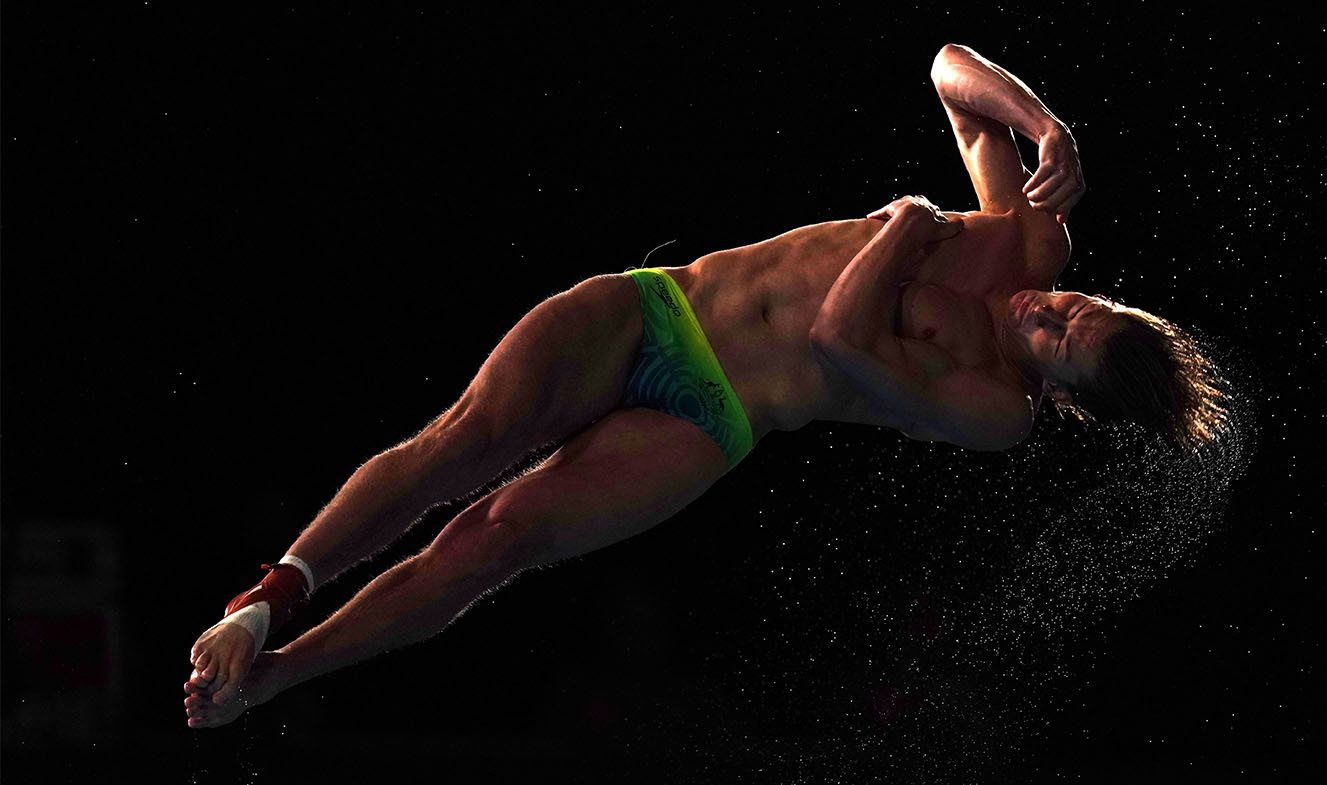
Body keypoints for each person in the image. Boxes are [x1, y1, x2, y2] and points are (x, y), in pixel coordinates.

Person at [184, 43, 1227, 728]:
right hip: (660, 307)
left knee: (494, 539)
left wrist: (910, 225)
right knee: (464, 439)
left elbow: (840, 339)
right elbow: (948, 70)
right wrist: (1049, 127)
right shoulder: (1032, 237)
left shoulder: (996, 409)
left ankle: (269, 677)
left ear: (1059, 391)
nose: (1048, 311)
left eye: (1056, 340)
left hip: (716, 415)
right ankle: (266, 603)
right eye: (1080, 306)